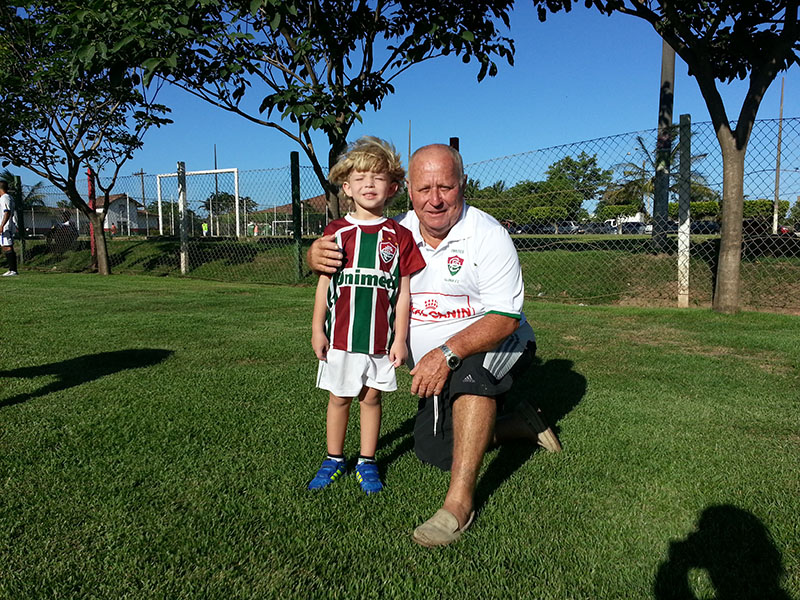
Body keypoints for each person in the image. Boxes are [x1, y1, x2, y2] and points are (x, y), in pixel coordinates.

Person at [308, 143, 561, 546]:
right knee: (435, 451)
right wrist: (315, 255)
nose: (435, 199)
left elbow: (504, 318)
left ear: (463, 184)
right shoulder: (396, 233)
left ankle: (457, 506)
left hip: (498, 343)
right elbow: (348, 255)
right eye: (424, 189)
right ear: (408, 190)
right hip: (434, 361)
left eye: (445, 187)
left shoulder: (487, 235)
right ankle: (519, 424)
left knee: (472, 374)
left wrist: (446, 353)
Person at [308, 136, 425, 495]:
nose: (369, 184)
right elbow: (324, 284)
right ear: (346, 187)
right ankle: (333, 458)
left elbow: (403, 294)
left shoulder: (400, 236)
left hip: (379, 340)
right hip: (340, 337)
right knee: (339, 397)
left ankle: (367, 460)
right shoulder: (336, 232)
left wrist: (400, 339)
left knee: (371, 398)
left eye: (377, 177)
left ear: (393, 188)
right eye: (360, 178)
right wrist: (317, 329)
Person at [0, 181, 19, 277]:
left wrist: (2, 225)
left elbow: (7, 212)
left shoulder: (4, 198)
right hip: (7, 225)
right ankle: (11, 269)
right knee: (5, 246)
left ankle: (13, 270)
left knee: (7, 246)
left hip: (6, 226)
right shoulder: (9, 197)